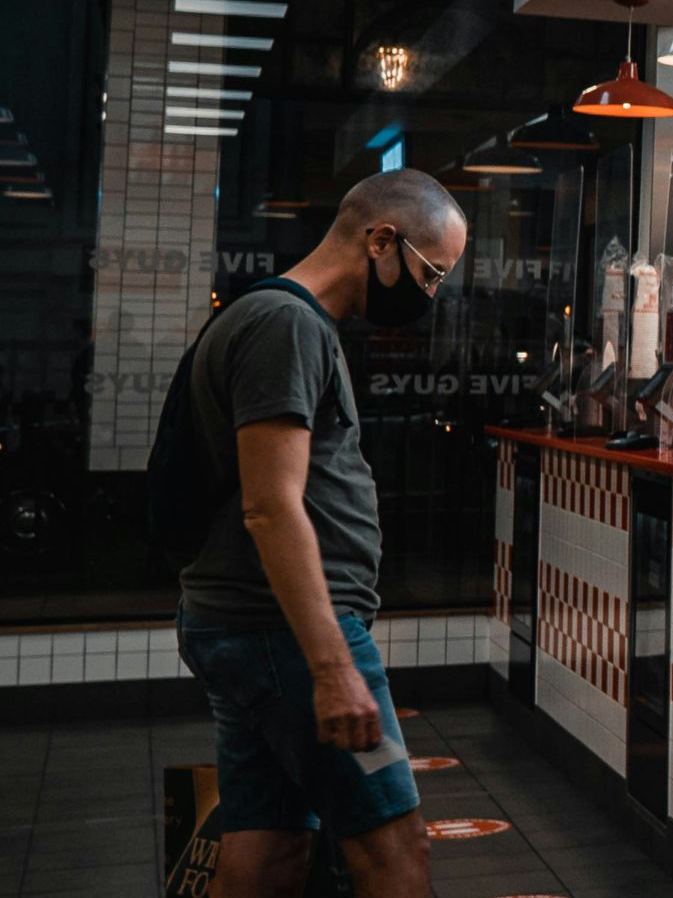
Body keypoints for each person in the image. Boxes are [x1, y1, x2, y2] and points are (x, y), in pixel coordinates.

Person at [176, 168, 466, 897]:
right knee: (395, 849)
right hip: (288, 634)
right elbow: (271, 506)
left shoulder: (286, 321)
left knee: (271, 847)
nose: (429, 296)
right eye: (431, 274)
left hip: (257, 628)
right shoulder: (287, 325)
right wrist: (333, 667)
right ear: (381, 241)